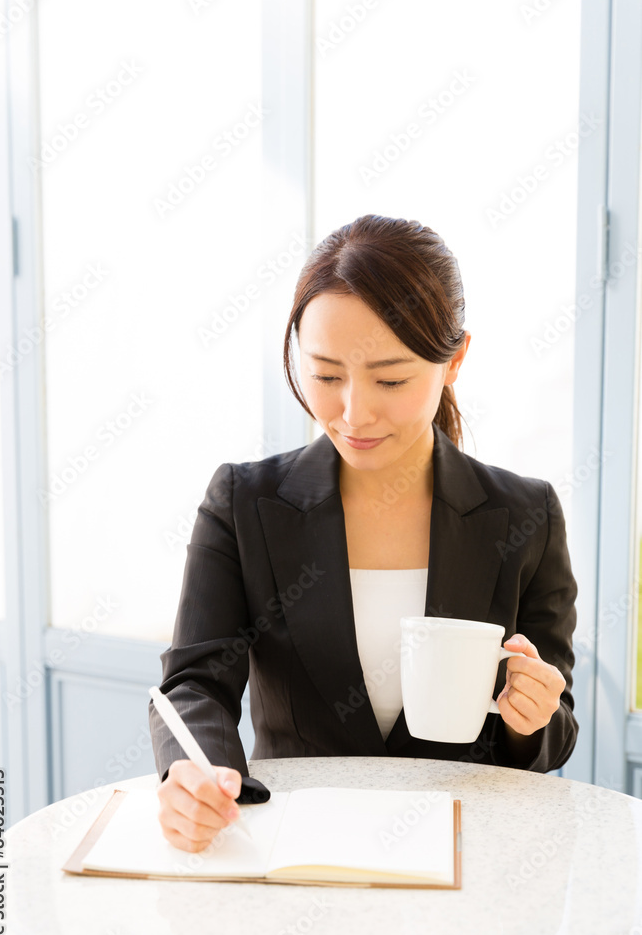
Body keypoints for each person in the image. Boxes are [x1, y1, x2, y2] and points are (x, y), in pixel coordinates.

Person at [149, 214, 579, 854]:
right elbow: (194, 684)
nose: (353, 413)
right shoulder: (244, 503)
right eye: (325, 376)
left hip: (465, 858)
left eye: (391, 379)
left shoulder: (525, 513)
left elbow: (556, 724)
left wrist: (530, 718)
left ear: (454, 358)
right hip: (295, 853)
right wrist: (199, 773)